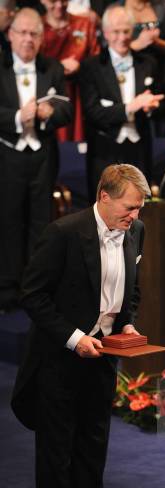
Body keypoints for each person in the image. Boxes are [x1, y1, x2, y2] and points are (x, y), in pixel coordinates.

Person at [11, 163, 149, 488]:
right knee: (57, 459)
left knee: (92, 455)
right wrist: (74, 338)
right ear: (104, 197)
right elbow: (32, 294)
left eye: (139, 209)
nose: (134, 217)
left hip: (104, 358)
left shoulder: (136, 230)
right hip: (60, 362)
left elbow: (131, 286)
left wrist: (126, 322)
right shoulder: (64, 233)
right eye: (128, 207)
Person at [0, 8, 72, 311]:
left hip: (43, 156)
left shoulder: (53, 69)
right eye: (23, 33)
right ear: (10, 35)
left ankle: (36, 290)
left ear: (42, 39)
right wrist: (19, 116)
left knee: (41, 223)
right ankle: (6, 291)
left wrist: (49, 115)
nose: (28, 39)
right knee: (8, 222)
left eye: (34, 34)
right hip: (7, 155)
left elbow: (67, 112)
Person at [79, 4, 164, 198]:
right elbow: (93, 112)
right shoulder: (91, 66)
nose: (122, 37)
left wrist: (152, 108)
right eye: (116, 32)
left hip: (140, 148)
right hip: (104, 151)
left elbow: (161, 105)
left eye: (126, 31)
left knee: (139, 208)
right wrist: (130, 107)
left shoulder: (148, 63)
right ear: (106, 33)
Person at [40, 0, 100, 142]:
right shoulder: (36, 27)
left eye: (64, 0)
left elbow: (99, 65)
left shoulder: (84, 24)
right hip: (46, 97)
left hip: (81, 96)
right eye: (53, 1)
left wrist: (81, 67)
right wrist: (58, 67)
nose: (59, 5)